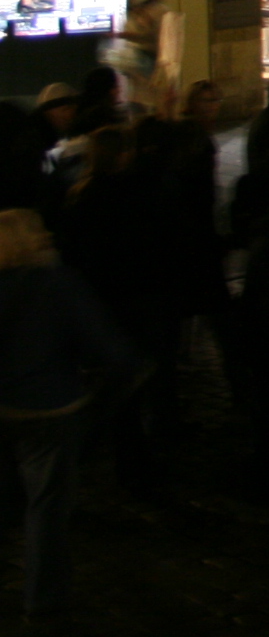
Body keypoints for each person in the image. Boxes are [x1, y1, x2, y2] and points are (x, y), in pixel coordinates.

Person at [0, 208, 141, 619]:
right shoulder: (59, 284)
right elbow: (110, 349)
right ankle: (44, 597)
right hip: (49, 408)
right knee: (47, 505)